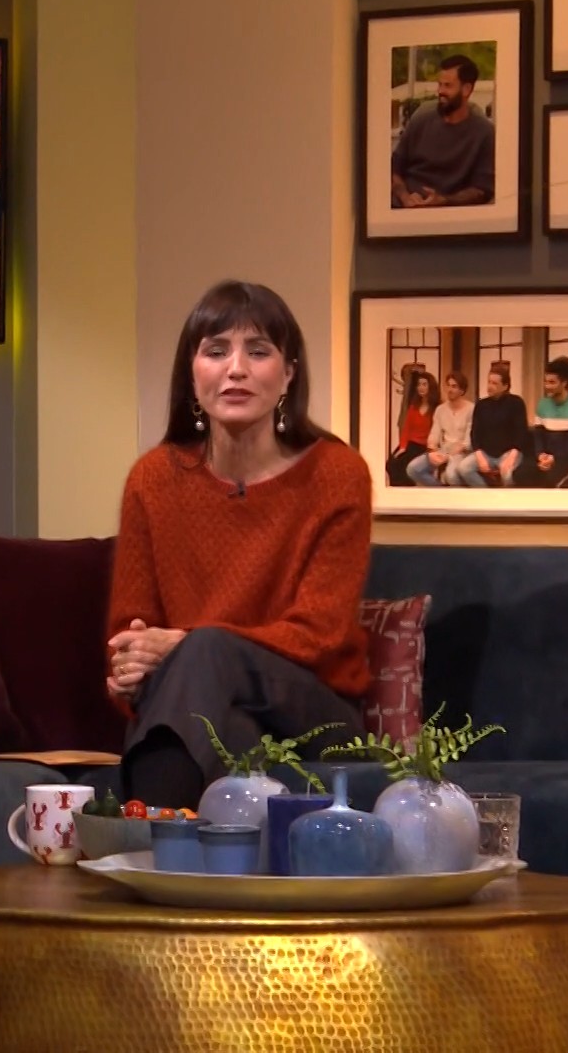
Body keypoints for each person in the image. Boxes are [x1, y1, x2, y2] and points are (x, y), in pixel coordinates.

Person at [105, 279, 371, 811]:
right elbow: (131, 631)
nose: (236, 369)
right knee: (230, 733)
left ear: (288, 373)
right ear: (192, 373)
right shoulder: (151, 479)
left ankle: (146, 839)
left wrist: (186, 646)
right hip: (202, 703)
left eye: (258, 351)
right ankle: (181, 847)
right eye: (216, 351)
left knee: (207, 650)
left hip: (316, 711)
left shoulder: (338, 473)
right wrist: (129, 671)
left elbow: (320, 634)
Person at [391, 54, 496, 209]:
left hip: (449, 213)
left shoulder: (484, 132)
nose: (440, 91)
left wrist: (445, 200)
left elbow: (482, 190)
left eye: (448, 86)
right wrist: (404, 197)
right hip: (403, 207)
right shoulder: (422, 117)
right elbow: (394, 169)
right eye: (439, 84)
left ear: (466, 89)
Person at [521, 357, 568, 488]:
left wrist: (555, 458)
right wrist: (541, 455)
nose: (547, 386)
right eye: (545, 382)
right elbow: (538, 436)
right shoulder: (542, 405)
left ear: (564, 383)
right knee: (521, 473)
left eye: (552, 382)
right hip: (547, 458)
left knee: (552, 480)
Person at [453, 366, 530, 487]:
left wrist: (511, 457)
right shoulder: (481, 405)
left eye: (494, 383)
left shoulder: (516, 403)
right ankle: (486, 494)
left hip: (509, 452)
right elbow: (475, 434)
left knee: (508, 474)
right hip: (486, 453)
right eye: (489, 382)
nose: (489, 386)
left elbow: (521, 433)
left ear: (505, 386)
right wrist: (479, 456)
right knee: (464, 468)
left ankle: (506, 499)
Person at [408, 371, 475, 487]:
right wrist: (433, 451)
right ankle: (440, 490)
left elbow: (468, 441)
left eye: (454, 386)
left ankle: (456, 496)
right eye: (448, 385)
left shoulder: (471, 408)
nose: (449, 389)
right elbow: (434, 435)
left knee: (451, 475)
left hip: (461, 453)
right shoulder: (440, 409)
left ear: (462, 390)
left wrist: (450, 454)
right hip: (443, 451)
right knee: (413, 468)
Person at [387, 368, 439, 486]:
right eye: (419, 384)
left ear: (431, 387)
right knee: (391, 464)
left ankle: (407, 490)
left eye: (424, 384)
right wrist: (402, 447)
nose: (421, 387)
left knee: (404, 465)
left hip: (425, 446)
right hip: (411, 443)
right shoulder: (414, 406)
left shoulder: (437, 408)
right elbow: (406, 429)